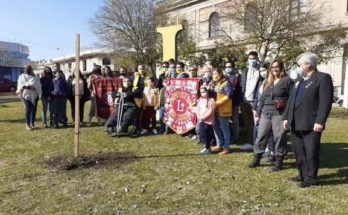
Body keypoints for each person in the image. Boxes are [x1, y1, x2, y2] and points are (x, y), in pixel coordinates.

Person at [283, 52, 333, 188]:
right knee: (298, 151)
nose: (297, 67)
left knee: (311, 151)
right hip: (295, 121)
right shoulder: (299, 80)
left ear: (309, 64)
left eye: (299, 65)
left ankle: (311, 178)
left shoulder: (323, 78)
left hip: (311, 122)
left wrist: (320, 121)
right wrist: (286, 117)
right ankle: (302, 174)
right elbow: (291, 101)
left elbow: (325, 102)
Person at [248, 59, 293, 171]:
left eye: (277, 67)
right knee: (261, 134)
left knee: (279, 136)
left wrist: (287, 116)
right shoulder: (268, 81)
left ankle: (279, 160)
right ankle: (257, 157)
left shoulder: (287, 80)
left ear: (282, 67)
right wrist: (258, 113)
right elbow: (262, 98)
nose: (274, 69)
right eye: (272, 67)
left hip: (279, 113)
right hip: (266, 112)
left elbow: (292, 99)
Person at [240, 51, 261, 150]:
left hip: (256, 101)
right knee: (248, 123)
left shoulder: (261, 70)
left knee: (258, 123)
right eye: (250, 59)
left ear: (257, 59)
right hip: (245, 101)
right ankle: (250, 142)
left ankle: (259, 143)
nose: (252, 61)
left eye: (254, 59)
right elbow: (242, 85)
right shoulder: (245, 71)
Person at [210, 68, 233, 155]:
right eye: (213, 74)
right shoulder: (213, 83)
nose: (214, 75)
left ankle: (226, 147)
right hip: (214, 110)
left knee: (225, 129)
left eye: (216, 73)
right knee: (215, 127)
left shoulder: (227, 83)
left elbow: (229, 95)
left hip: (223, 109)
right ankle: (219, 145)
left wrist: (217, 103)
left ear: (220, 73)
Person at [16, 65, 42, 131]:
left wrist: (32, 86)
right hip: (26, 94)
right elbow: (21, 85)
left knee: (34, 109)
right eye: (26, 68)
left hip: (35, 94)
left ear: (31, 69)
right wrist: (28, 86)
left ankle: (32, 123)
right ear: (24, 69)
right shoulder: (21, 76)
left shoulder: (35, 76)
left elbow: (38, 84)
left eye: (29, 68)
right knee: (28, 109)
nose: (27, 69)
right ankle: (27, 124)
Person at [224, 61, 243, 142]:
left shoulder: (238, 77)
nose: (228, 68)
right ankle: (227, 136)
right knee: (225, 121)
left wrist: (238, 100)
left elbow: (240, 89)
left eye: (229, 66)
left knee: (235, 121)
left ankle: (236, 137)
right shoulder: (224, 77)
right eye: (226, 67)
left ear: (234, 67)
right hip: (225, 102)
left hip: (234, 102)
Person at [197, 86, 216, 155]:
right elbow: (198, 109)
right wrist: (199, 116)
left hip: (208, 121)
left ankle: (208, 148)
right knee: (201, 134)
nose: (203, 94)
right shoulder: (200, 100)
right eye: (201, 92)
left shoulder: (212, 100)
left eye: (204, 92)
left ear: (208, 92)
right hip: (201, 120)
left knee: (206, 134)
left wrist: (203, 117)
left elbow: (211, 111)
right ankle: (205, 146)